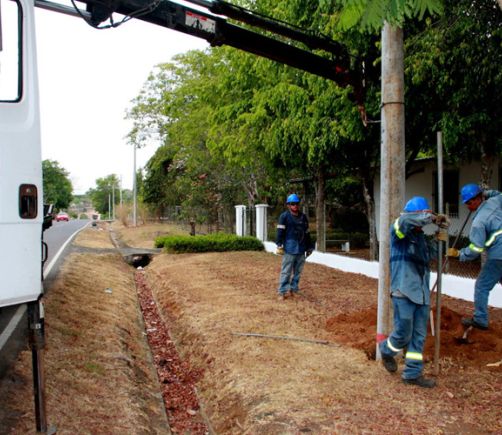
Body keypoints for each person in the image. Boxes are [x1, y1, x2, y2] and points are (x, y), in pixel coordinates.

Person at [379, 196, 448, 388]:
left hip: (422, 294)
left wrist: (440, 238)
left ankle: (412, 374)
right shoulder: (399, 232)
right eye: (422, 216)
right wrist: (431, 217)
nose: (423, 221)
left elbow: (432, 255)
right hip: (403, 291)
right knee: (403, 332)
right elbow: (405, 221)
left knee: (418, 336)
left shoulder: (421, 239)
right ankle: (386, 349)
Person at [447, 183, 502, 330]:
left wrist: (459, 254)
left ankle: (480, 320)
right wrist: (486, 192)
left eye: (469, 203)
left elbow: (476, 249)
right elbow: (498, 194)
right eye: (466, 203)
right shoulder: (495, 201)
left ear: (478, 199)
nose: (468, 206)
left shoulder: (478, 222)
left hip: (498, 255)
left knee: (481, 286)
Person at [275, 194, 314, 300]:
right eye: (292, 204)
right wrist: (279, 244)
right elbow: (280, 231)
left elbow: (307, 232)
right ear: (288, 205)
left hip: (301, 248)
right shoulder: (284, 216)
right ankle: (282, 291)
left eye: (296, 203)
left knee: (298, 272)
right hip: (289, 248)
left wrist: (309, 247)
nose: (295, 206)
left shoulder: (303, 217)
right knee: (286, 271)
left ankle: (294, 289)